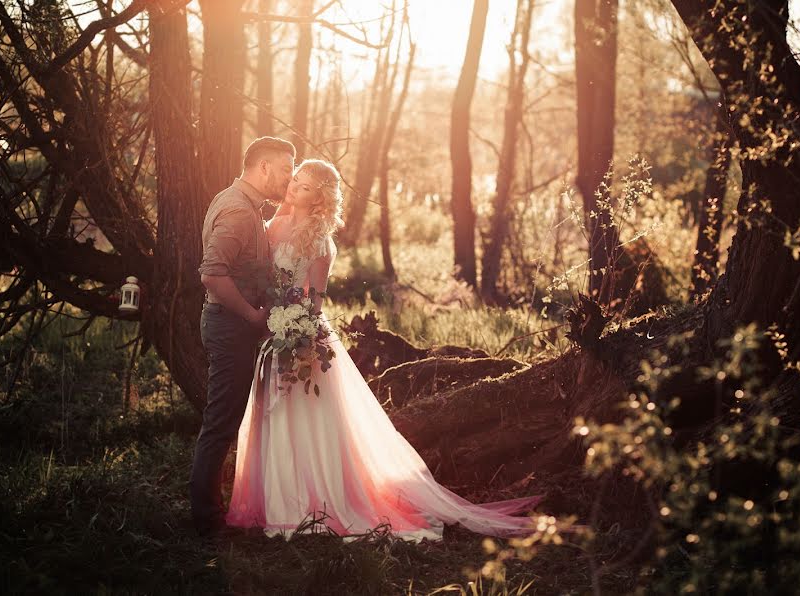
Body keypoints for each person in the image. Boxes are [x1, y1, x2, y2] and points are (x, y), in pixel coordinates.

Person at [225, 159, 541, 540]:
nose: (294, 187)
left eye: (305, 186)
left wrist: (296, 332)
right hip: (271, 332)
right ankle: (276, 501)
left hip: (301, 333)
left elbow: (317, 300)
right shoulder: (275, 224)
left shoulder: (320, 240)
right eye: (295, 180)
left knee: (308, 420)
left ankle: (315, 502)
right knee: (276, 418)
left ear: (321, 198)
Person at [192, 137, 296, 537]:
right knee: (220, 422)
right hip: (229, 325)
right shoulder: (237, 210)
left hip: (230, 324)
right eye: (285, 169)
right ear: (264, 167)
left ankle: (213, 508)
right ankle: (205, 520)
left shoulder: (244, 204)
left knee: (226, 418)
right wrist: (253, 315)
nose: (288, 178)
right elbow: (212, 274)